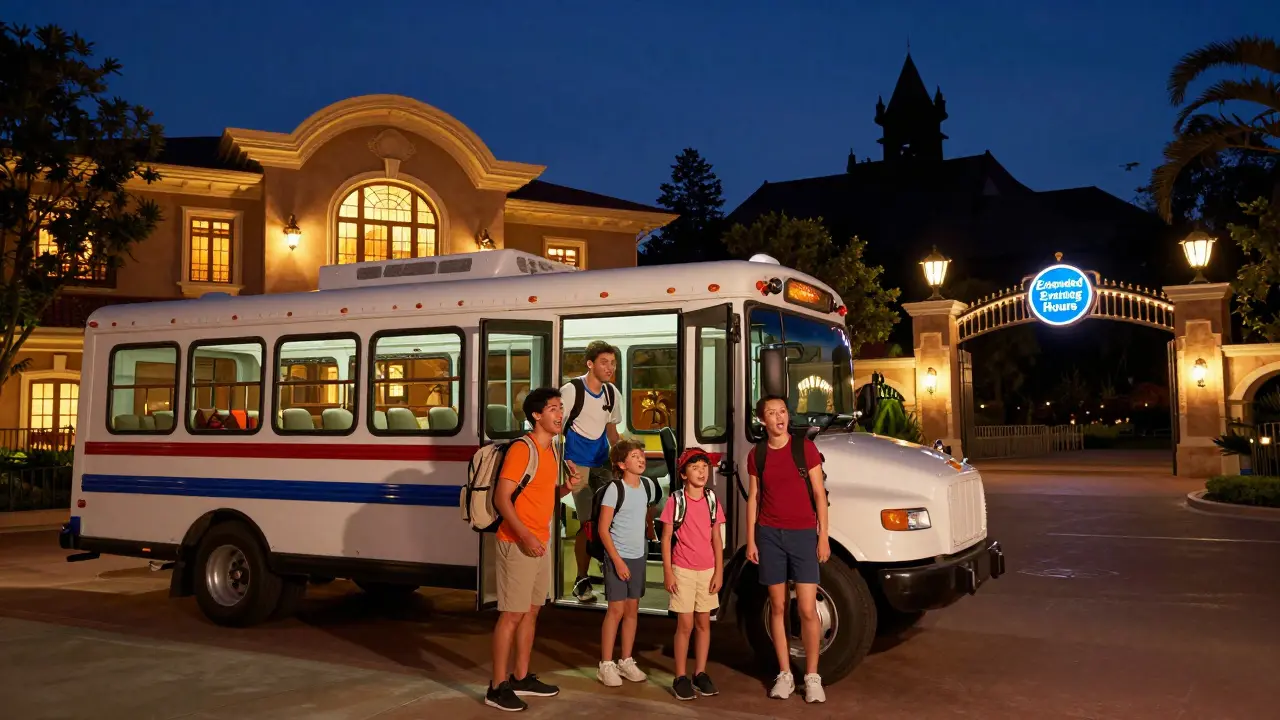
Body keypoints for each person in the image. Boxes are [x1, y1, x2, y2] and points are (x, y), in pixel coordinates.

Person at [486, 388, 584, 712]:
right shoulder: (522, 449)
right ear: (536, 416)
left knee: (531, 611)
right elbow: (502, 498)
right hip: (517, 542)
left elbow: (542, 495)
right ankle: (496, 687)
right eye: (553, 408)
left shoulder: (552, 449)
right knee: (511, 615)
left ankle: (520, 677)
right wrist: (525, 535)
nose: (560, 414)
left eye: (561, 408)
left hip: (540, 541)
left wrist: (566, 487)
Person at [745, 395, 830, 704]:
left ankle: (812, 676)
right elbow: (754, 497)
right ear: (762, 420)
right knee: (778, 606)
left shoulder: (804, 448)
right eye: (772, 413)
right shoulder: (757, 454)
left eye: (782, 411)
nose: (779, 417)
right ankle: (784, 674)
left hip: (803, 534)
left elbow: (819, 494)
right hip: (769, 535)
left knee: (806, 608)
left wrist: (823, 536)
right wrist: (751, 539)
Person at [660, 447, 724, 701]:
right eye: (695, 467)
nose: (701, 472)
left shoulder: (712, 500)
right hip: (683, 570)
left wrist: (719, 571)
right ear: (684, 474)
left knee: (703, 623)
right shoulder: (676, 501)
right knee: (685, 625)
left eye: (704, 467)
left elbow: (716, 538)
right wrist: (668, 572)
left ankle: (700, 673)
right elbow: (666, 538)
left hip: (707, 571)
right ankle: (680, 677)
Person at [561, 341, 623, 603]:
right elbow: (555, 428)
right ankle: (581, 579)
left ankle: (608, 571)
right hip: (577, 465)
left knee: (611, 519)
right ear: (590, 364)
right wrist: (563, 464)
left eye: (613, 363)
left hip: (602, 463)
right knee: (589, 523)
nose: (610, 368)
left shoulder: (611, 393)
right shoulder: (571, 391)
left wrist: (623, 461)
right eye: (604, 362)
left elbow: (612, 433)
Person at [596, 436, 654, 687]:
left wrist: (649, 528)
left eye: (641, 455)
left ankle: (626, 660)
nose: (641, 459)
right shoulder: (614, 489)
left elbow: (647, 511)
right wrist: (617, 561)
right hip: (617, 556)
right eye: (634, 456)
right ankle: (606, 664)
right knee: (616, 611)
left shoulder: (647, 486)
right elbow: (603, 529)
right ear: (621, 464)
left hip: (638, 556)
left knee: (632, 610)